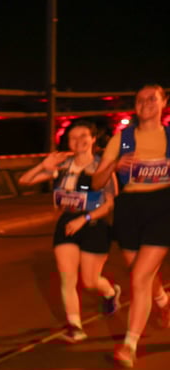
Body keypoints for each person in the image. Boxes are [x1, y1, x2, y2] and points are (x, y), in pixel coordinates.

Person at [19, 121, 121, 342]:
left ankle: (110, 292)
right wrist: (43, 165)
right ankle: (75, 326)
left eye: (84, 136)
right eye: (73, 137)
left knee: (90, 281)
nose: (78, 141)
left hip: (93, 223)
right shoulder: (63, 165)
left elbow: (110, 204)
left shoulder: (101, 167)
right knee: (67, 277)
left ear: (93, 139)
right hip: (67, 222)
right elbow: (24, 181)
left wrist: (85, 219)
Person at [91, 84, 170, 368]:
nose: (145, 103)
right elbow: (96, 183)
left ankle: (129, 345)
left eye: (152, 99)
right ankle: (164, 302)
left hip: (162, 207)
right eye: (140, 100)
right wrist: (114, 166)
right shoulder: (123, 140)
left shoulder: (169, 137)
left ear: (163, 103)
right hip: (129, 209)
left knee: (139, 278)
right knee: (142, 273)